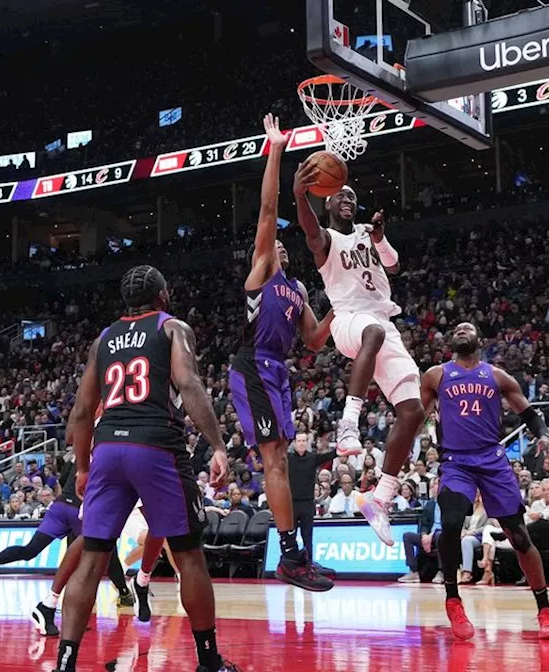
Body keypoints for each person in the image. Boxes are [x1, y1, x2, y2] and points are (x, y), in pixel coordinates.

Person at [56, 265, 238, 672]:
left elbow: (82, 412)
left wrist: (83, 469)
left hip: (106, 451)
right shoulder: (172, 327)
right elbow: (188, 385)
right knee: (189, 556)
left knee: (92, 559)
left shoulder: (102, 339)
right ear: (163, 295)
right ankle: (209, 661)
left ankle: (65, 661)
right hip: (156, 447)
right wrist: (218, 444)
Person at [227, 115, 336, 592]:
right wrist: (275, 149)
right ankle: (290, 557)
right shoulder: (263, 272)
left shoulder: (298, 291)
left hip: (278, 373)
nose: (281, 248)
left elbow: (314, 341)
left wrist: (350, 301)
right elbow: (269, 210)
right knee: (273, 459)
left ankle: (295, 554)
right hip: (253, 366)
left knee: (281, 461)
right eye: (277, 245)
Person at [293, 159, 425, 547]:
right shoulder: (328, 241)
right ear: (328, 205)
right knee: (371, 332)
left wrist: (381, 236)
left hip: (384, 322)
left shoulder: (369, 233)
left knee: (413, 409)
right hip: (348, 320)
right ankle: (348, 422)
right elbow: (310, 231)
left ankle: (379, 497)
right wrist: (301, 195)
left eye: (351, 196)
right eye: (340, 197)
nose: (347, 200)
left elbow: (395, 265)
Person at [417, 322, 549, 640]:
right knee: (451, 523)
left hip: (492, 462)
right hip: (455, 462)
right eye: (457, 329)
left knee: (520, 537)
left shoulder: (496, 376)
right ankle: (453, 600)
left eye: (467, 328)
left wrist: (545, 436)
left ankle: (545, 609)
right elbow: (416, 417)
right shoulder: (436, 375)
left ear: (480, 340)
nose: (461, 331)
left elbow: (530, 414)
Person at [0, 459, 135, 635]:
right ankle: (123, 592)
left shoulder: (80, 456)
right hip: (80, 510)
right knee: (105, 551)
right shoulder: (110, 456)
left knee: (30, 550)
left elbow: (63, 478)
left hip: (59, 506)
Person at [285, 432, 338, 575]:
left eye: (304, 440)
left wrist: (343, 447)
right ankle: (291, 565)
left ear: (307, 443)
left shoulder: (312, 458)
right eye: (299, 441)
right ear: (294, 443)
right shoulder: (288, 458)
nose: (301, 443)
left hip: (308, 503)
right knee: (291, 536)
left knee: (307, 536)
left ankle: (309, 564)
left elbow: (331, 455)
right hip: (292, 504)